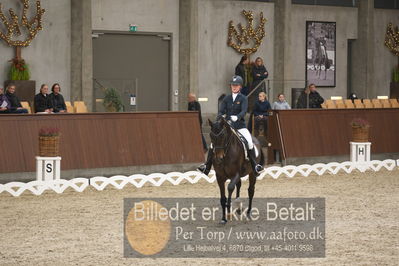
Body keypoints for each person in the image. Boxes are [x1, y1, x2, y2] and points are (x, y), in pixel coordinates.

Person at [198, 75, 264, 176]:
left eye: (236, 85)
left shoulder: (243, 98)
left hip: (240, 126)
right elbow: (221, 111)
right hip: (227, 127)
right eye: (233, 85)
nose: (234, 87)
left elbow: (243, 111)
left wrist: (237, 117)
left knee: (250, 142)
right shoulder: (226, 98)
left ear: (240, 87)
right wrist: (221, 118)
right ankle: (206, 166)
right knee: (213, 144)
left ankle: (255, 166)